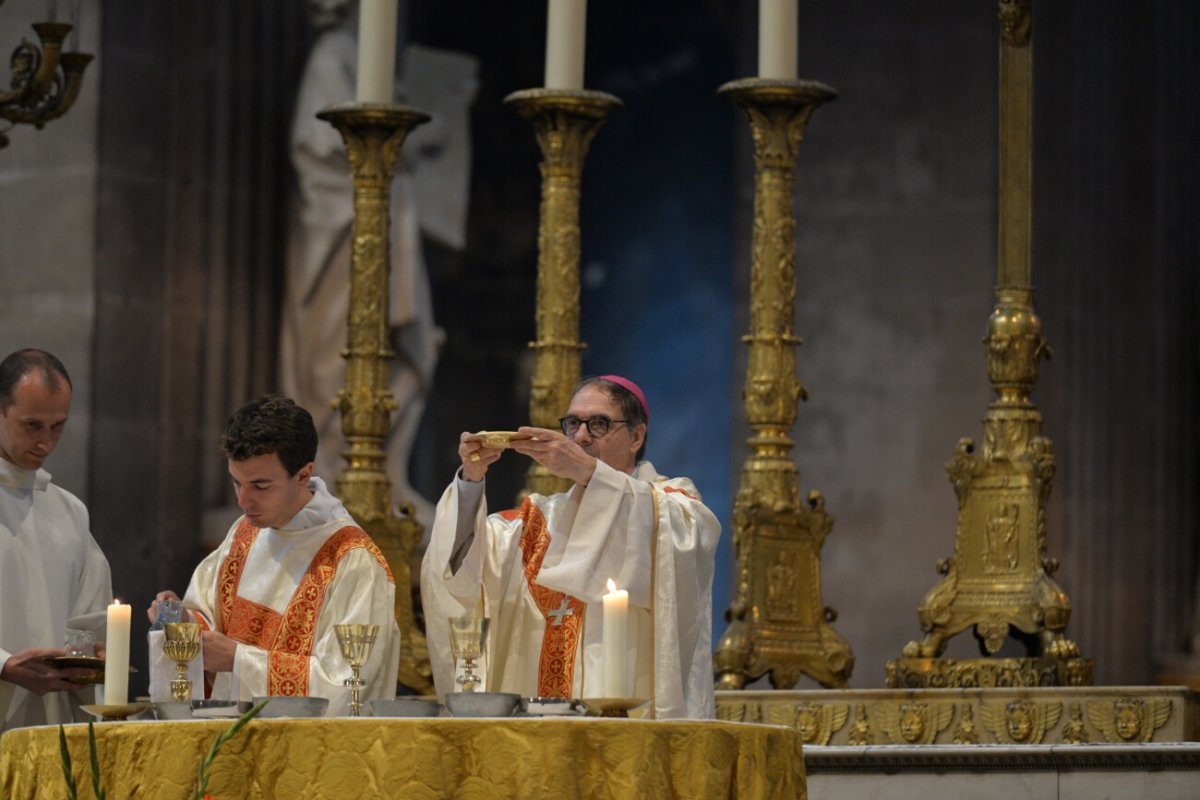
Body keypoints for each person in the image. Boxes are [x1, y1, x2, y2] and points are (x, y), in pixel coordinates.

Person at [421, 375, 721, 719]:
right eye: (573, 423)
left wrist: (586, 470)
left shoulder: (672, 507)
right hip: (535, 735)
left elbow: (680, 546)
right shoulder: (535, 520)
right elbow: (458, 571)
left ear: (636, 436)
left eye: (598, 424)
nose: (580, 436)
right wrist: (471, 482)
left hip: (626, 731)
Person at [148, 395, 400, 713]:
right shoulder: (244, 534)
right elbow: (211, 622)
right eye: (236, 483)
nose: (243, 501)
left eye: (260, 486)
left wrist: (239, 660)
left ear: (304, 474)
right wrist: (184, 624)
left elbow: (349, 685)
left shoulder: (352, 561)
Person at [0, 349, 113, 731]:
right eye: (32, 426)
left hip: (50, 724)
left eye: (58, 426)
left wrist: (89, 656)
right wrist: (4, 665)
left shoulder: (69, 512)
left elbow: (90, 618)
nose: (46, 443)